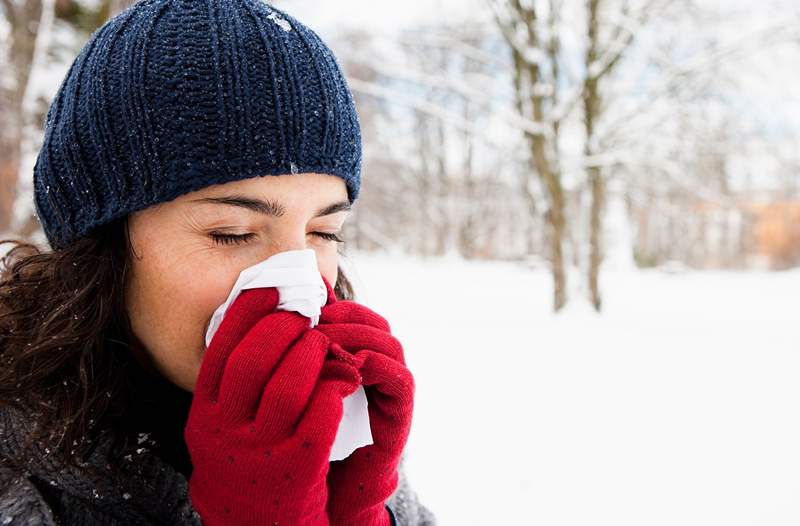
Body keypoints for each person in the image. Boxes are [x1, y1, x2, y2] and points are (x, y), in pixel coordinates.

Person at [0, 1, 436, 524]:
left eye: (323, 232)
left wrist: (363, 512)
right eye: (233, 234)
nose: (299, 286)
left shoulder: (336, 425)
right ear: (101, 248)